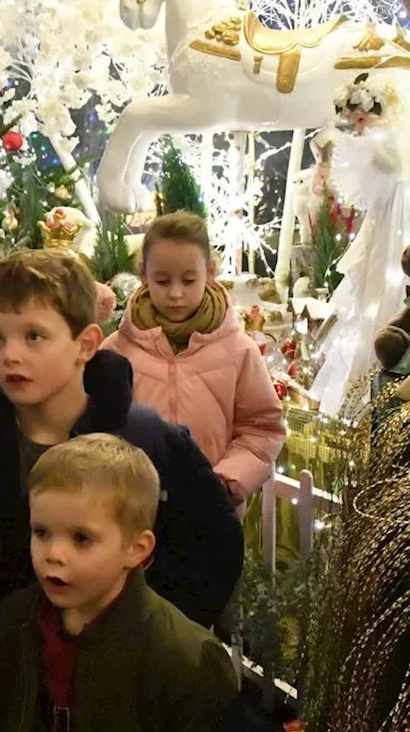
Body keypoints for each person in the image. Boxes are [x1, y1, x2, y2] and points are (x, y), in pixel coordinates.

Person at [0, 249, 244, 732]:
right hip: (11, 685)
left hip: (127, 685)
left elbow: (212, 541)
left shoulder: (148, 441)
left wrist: (168, 634)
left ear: (85, 343)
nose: (9, 355)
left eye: (34, 336)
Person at [0, 434, 253, 732]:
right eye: (41, 532)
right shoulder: (17, 620)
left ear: (137, 549)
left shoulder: (184, 658)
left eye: (81, 538)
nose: (53, 554)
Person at [103, 211, 285, 511]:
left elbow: (261, 428)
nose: (176, 294)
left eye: (189, 280)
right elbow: (98, 427)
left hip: (210, 512)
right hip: (129, 513)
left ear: (210, 272)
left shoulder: (238, 351)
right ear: (144, 274)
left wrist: (225, 481)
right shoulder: (117, 350)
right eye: (162, 281)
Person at [307, 72, 410, 413]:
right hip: (384, 223)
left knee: (387, 286)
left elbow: (384, 163)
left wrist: (338, 138)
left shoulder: (393, 143)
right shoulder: (384, 144)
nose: (359, 129)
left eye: (361, 119)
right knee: (372, 291)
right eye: (354, 123)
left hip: (399, 221)